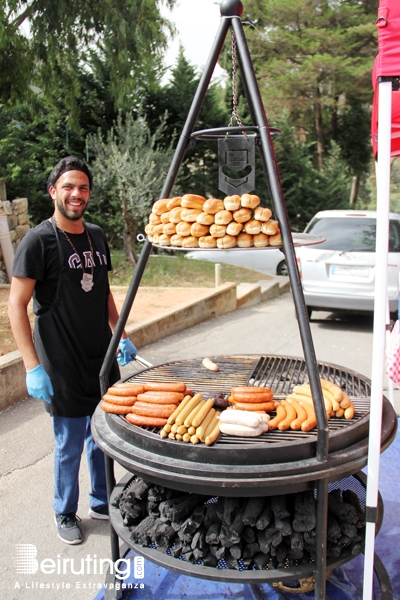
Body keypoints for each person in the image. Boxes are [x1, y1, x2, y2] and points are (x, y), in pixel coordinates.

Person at [8, 156, 137, 545]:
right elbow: (16, 305)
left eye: (82, 187)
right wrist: (32, 366)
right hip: (60, 359)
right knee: (69, 442)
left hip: (99, 356)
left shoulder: (96, 235)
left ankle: (102, 500)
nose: (76, 194)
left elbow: (103, 292)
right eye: (68, 186)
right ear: (53, 191)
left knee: (102, 436)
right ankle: (65, 511)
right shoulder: (38, 240)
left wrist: (121, 335)